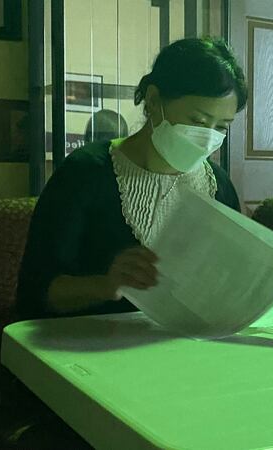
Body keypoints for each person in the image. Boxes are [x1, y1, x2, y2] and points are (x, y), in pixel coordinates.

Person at [16, 37, 246, 320]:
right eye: (198, 121)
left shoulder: (217, 186)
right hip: (90, 349)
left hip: (185, 347)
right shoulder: (85, 173)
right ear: (153, 100)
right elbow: (36, 291)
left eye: (221, 126)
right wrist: (105, 285)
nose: (208, 137)